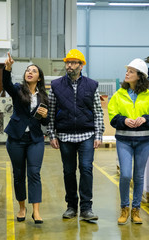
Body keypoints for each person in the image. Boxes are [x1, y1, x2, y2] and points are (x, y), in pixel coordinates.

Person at [47, 49, 105, 221]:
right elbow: (51, 112)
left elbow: (97, 111)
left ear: (81, 66)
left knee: (86, 169)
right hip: (65, 135)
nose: (69, 66)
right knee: (68, 171)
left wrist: (98, 134)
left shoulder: (91, 85)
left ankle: (86, 208)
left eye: (73, 63)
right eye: (67, 62)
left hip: (86, 134)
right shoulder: (56, 85)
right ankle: (71, 206)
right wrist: (51, 134)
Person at [108, 58, 149, 225]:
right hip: (124, 140)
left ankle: (136, 210)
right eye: (127, 71)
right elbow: (112, 117)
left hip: (143, 141)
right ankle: (124, 207)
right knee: (125, 175)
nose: (127, 73)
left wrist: (144, 119)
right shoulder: (118, 95)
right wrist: (124, 120)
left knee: (138, 176)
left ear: (140, 76)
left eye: (131, 71)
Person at [3, 52, 49, 224]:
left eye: (34, 71)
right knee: (19, 174)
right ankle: (22, 208)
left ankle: (36, 211)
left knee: (34, 173)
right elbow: (6, 83)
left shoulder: (43, 96)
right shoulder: (17, 90)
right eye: (27, 70)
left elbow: (47, 119)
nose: (29, 72)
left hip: (35, 139)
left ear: (39, 77)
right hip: (16, 138)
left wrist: (45, 115)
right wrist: (7, 69)